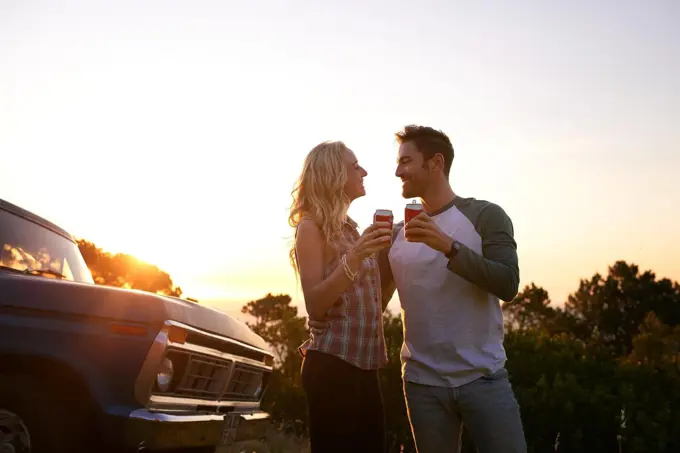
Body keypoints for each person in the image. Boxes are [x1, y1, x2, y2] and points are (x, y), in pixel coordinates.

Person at [310, 125, 527, 453]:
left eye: (406, 162)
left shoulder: (486, 216)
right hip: (422, 385)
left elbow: (508, 283)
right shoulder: (396, 235)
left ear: (436, 163)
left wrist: (449, 247)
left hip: (484, 379)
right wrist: (322, 326)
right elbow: (373, 302)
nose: (397, 171)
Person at [289, 140, 392, 453]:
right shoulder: (311, 227)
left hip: (365, 366)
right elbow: (315, 304)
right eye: (355, 166)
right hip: (332, 366)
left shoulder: (352, 230)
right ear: (334, 174)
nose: (364, 171)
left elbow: (371, 304)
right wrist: (357, 257)